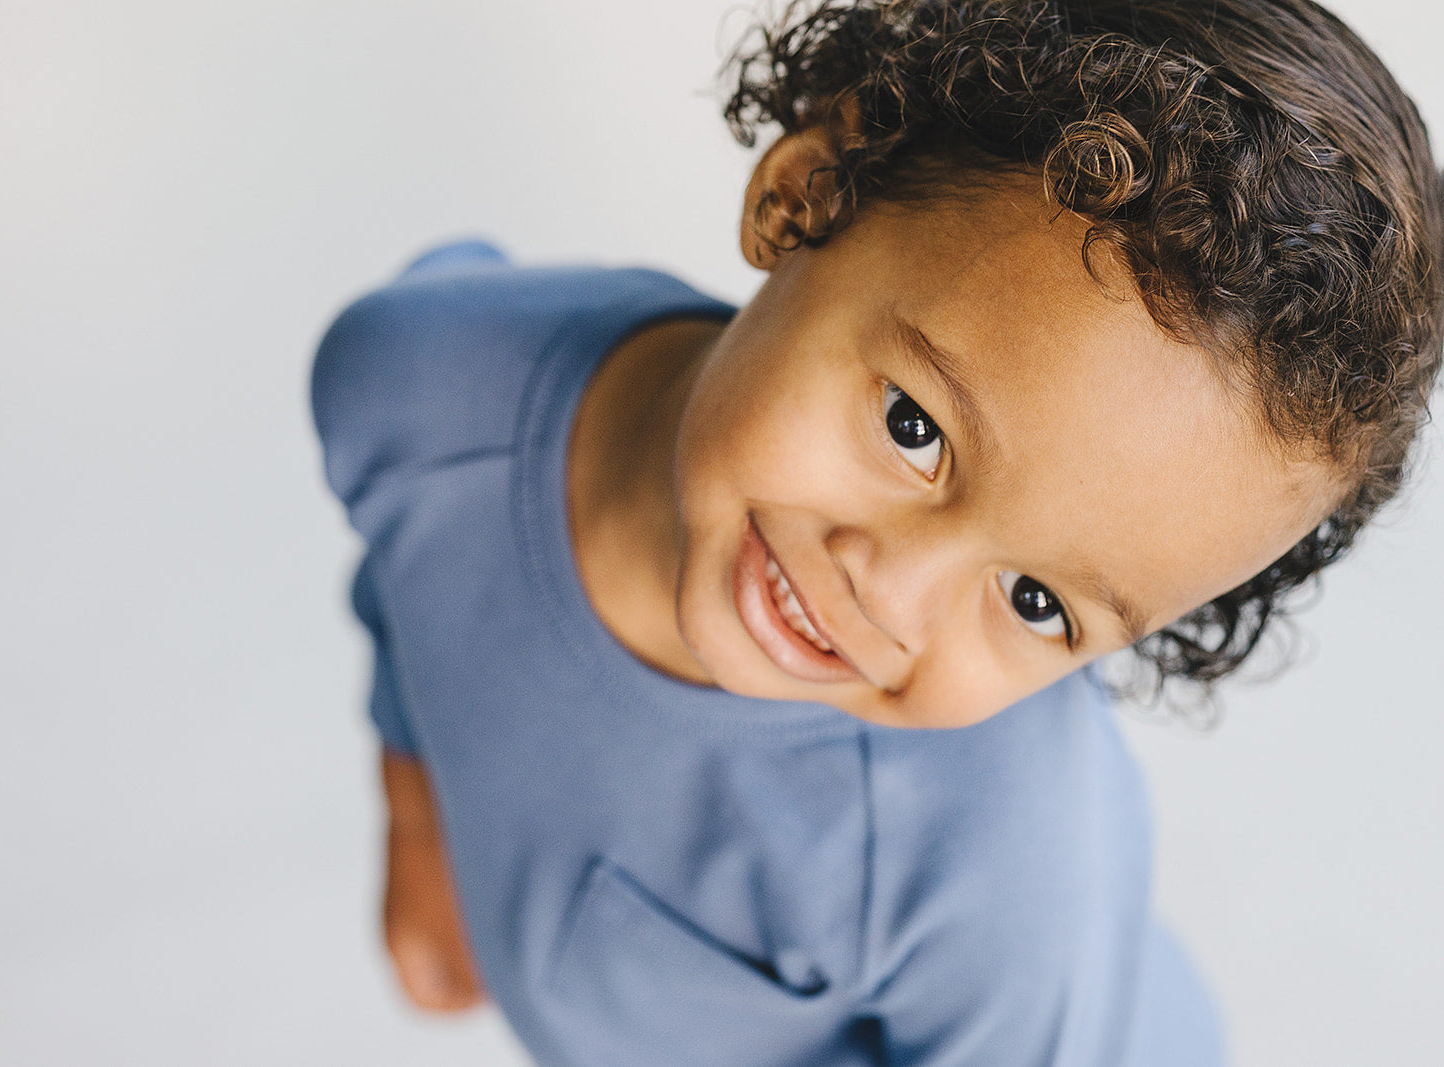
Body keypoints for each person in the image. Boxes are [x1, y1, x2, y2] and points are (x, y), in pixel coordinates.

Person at [310, 0, 1443, 1062]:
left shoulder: (994, 863)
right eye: (914, 428)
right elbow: (413, 588)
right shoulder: (424, 384)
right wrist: (420, 834)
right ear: (807, 194)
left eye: (1036, 602)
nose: (892, 598)